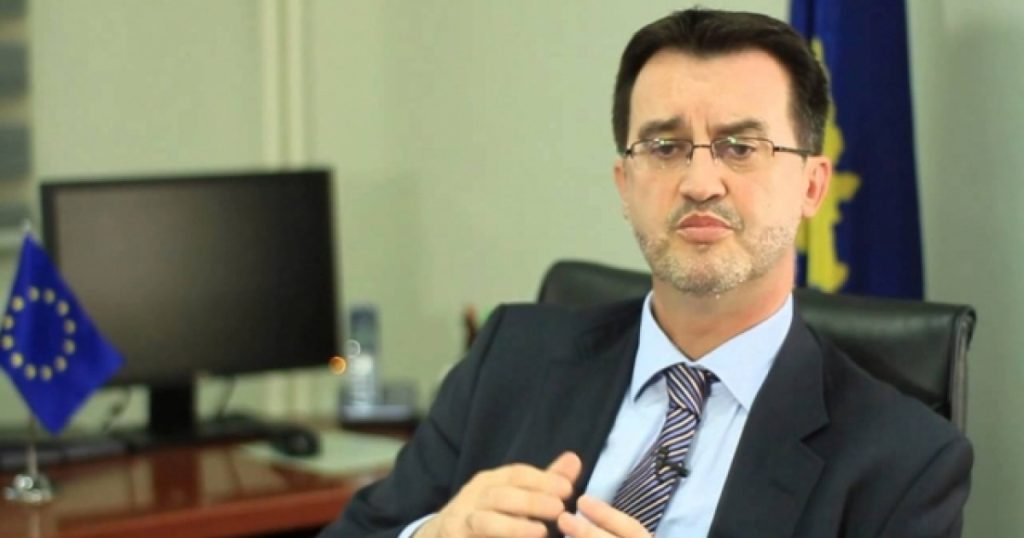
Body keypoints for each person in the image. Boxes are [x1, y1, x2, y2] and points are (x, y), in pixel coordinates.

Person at [319, 8, 972, 538]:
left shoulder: (903, 459)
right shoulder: (510, 358)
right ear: (625, 184)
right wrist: (433, 534)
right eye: (664, 147)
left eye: (740, 147)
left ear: (811, 185)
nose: (699, 181)